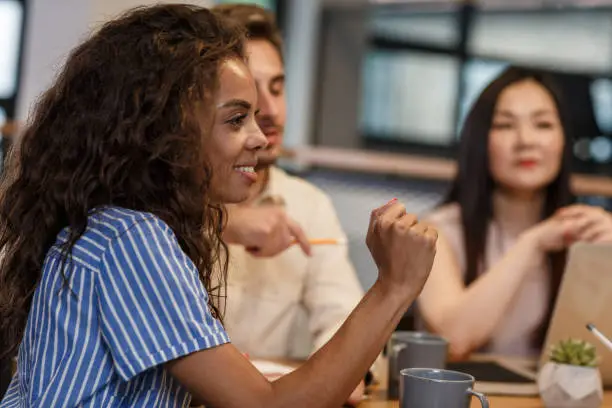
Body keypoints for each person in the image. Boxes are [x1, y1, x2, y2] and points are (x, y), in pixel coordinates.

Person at [0, 5, 437, 408]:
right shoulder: (132, 239)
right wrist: (393, 287)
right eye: (235, 118)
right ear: (165, 130)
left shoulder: (109, 224)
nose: (261, 138)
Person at [211, 4, 370, 397]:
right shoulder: (157, 203)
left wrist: (344, 368)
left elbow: (342, 316)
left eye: (277, 88)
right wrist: (224, 223)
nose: (271, 111)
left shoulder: (309, 204)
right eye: (248, 91)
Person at [418, 66, 612, 361]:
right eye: (505, 125)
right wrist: (532, 243)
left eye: (543, 125)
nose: (526, 141)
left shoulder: (587, 234)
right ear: (480, 140)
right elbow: (454, 340)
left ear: (563, 140)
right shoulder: (434, 232)